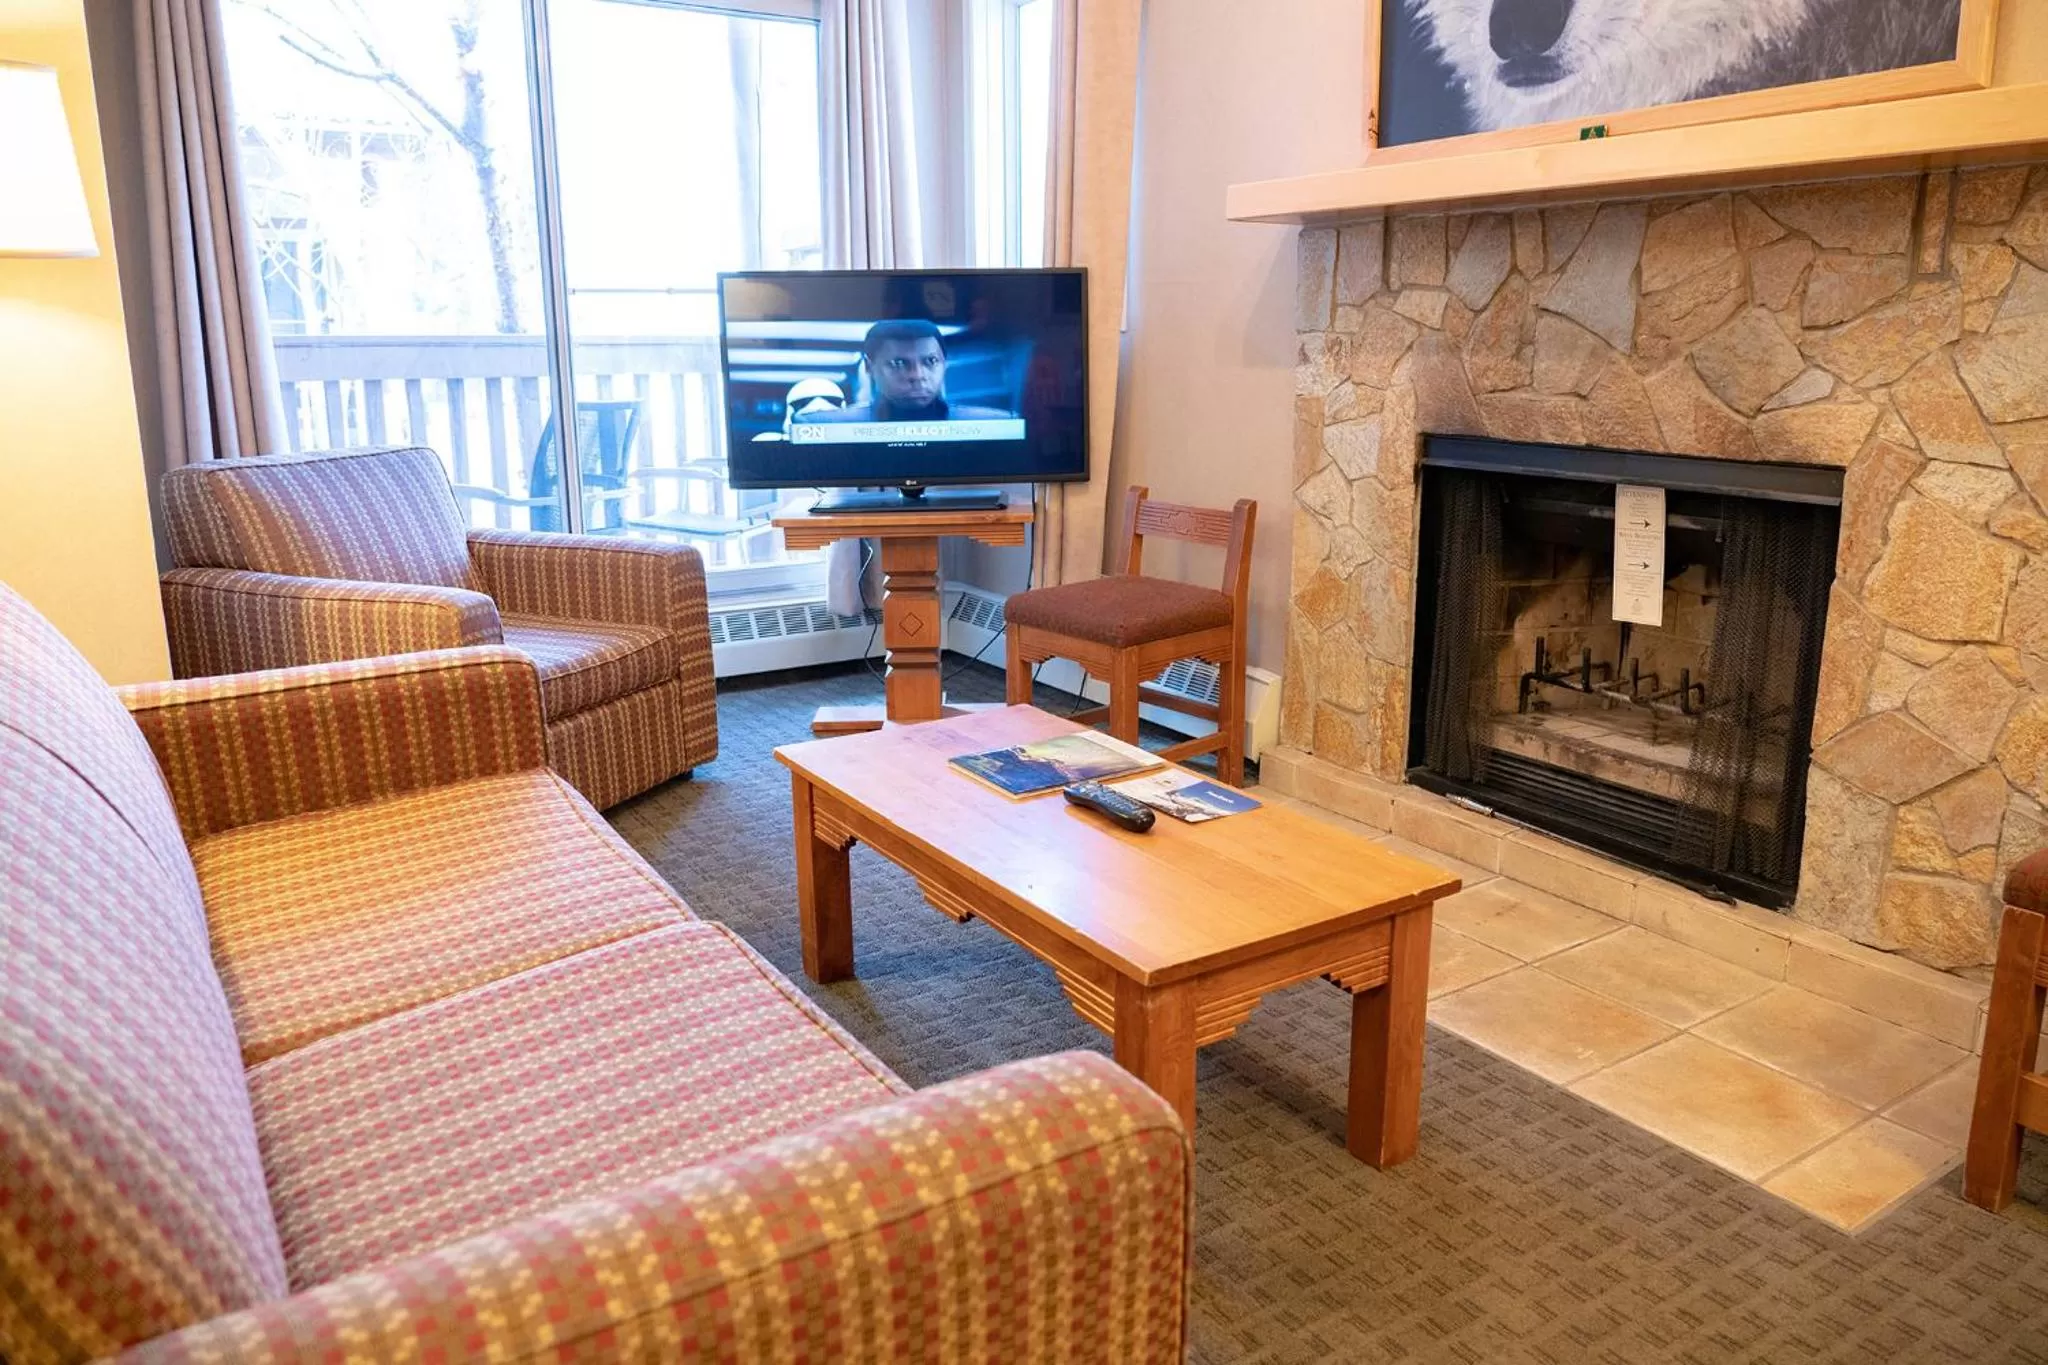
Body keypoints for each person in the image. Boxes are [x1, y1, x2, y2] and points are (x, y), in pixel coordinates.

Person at [796, 319, 1014, 424]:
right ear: (870, 368)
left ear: (944, 364)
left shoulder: (995, 423)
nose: (917, 375)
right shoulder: (824, 426)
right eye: (899, 363)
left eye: (930, 361)